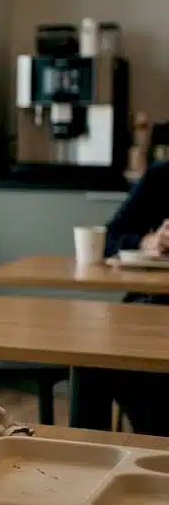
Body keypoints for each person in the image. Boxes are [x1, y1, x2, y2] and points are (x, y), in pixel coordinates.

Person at [70, 159, 169, 435]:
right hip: (150, 309)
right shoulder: (161, 176)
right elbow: (111, 237)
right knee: (91, 357)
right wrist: (148, 242)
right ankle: (92, 456)